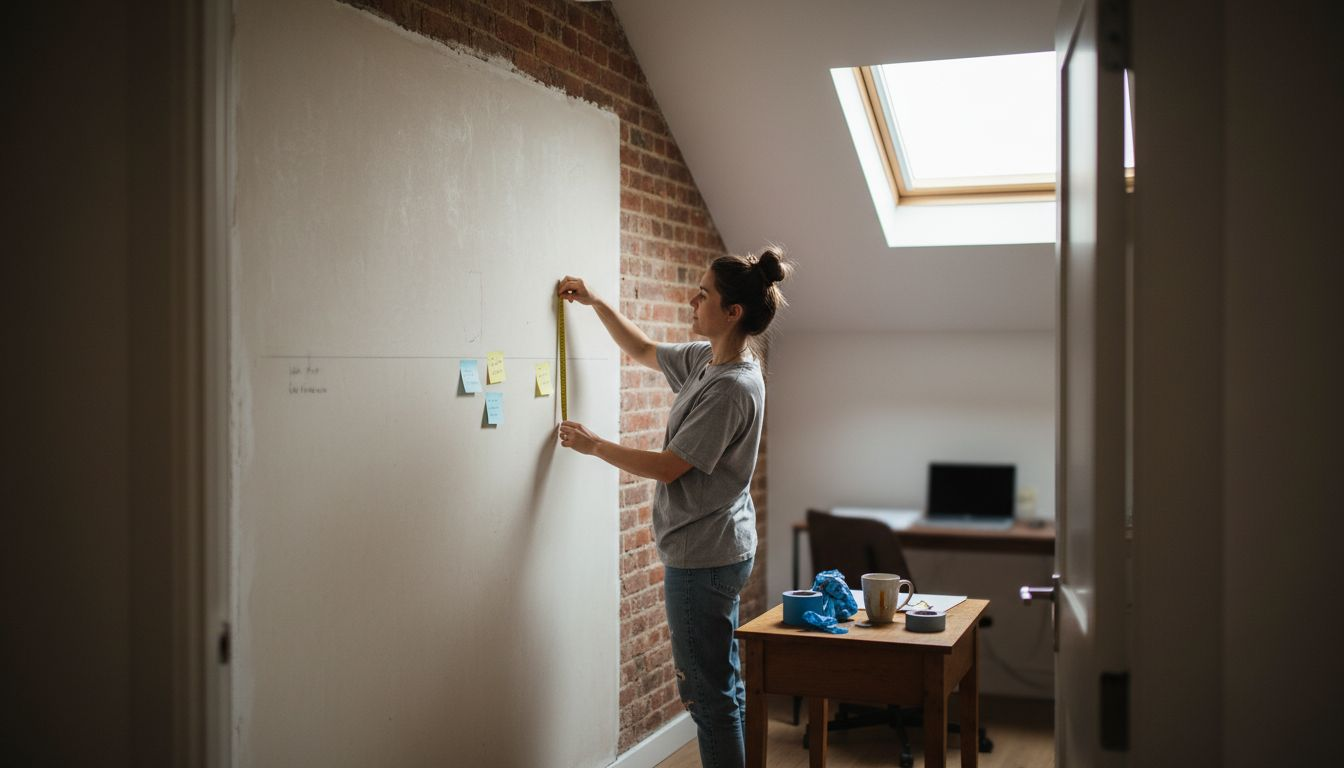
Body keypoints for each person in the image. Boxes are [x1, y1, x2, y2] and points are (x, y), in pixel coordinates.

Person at [556, 246, 793, 768]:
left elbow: (668, 467)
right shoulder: (709, 361)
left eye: (704, 294)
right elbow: (641, 348)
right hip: (716, 546)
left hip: (704, 557)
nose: (693, 299)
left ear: (732, 313)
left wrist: (594, 445)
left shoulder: (732, 387)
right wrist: (596, 301)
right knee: (719, 687)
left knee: (708, 699)